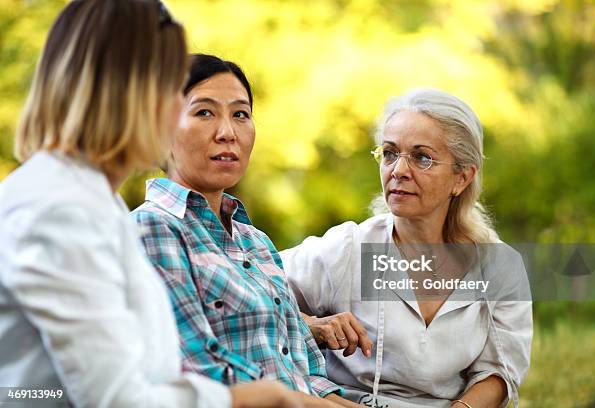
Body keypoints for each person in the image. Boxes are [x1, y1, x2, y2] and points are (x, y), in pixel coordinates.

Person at [0, 2, 301, 407]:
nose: (179, 109)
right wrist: (247, 399)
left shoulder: (91, 202)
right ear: (121, 91)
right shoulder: (60, 211)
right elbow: (116, 399)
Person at [131, 54, 359, 408]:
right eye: (204, 112)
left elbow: (308, 376)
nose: (228, 133)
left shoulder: (256, 242)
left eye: (241, 114)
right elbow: (203, 374)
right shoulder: (153, 229)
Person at [281, 88, 533, 408]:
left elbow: (499, 371)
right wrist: (314, 326)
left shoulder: (500, 267)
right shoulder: (348, 248)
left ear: (462, 178)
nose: (398, 170)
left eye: (422, 157)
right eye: (389, 153)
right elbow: (250, 291)